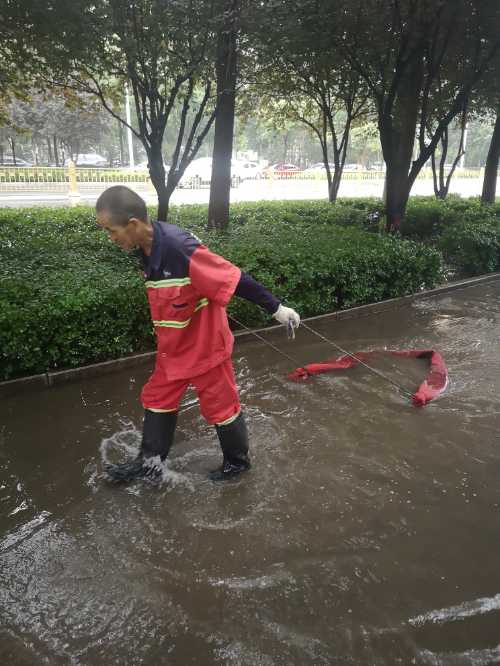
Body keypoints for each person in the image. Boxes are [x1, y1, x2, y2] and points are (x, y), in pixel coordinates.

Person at [95, 186, 300, 483]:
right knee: (158, 398)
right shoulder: (145, 249)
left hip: (205, 347)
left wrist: (277, 309)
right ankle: (149, 463)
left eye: (111, 231)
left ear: (133, 225)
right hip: (173, 348)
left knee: (221, 405)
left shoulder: (181, 249)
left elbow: (234, 277)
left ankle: (236, 464)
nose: (110, 238)